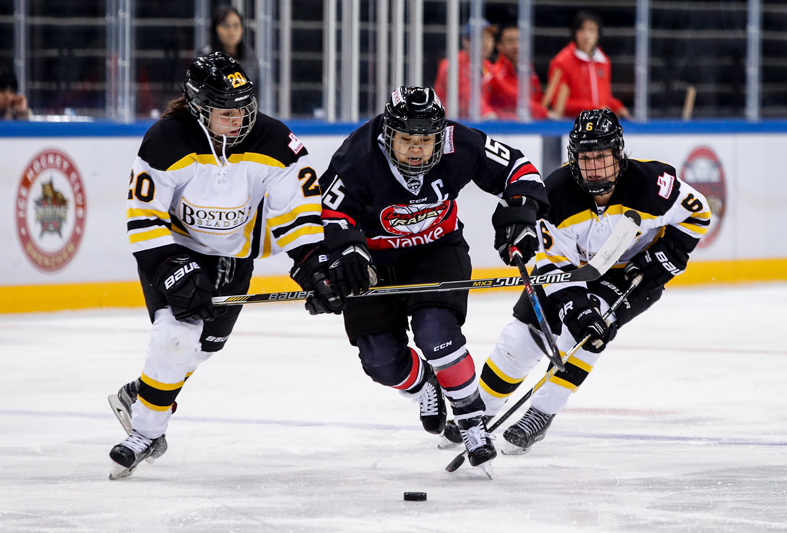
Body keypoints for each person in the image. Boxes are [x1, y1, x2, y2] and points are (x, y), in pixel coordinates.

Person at [107, 51, 342, 479]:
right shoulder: (166, 139)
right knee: (175, 333)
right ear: (199, 108)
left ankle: (143, 393)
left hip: (234, 255)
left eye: (243, 107)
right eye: (225, 111)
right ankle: (144, 432)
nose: (238, 118)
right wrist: (170, 268)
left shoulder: (274, 140)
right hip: (174, 249)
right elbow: (144, 215)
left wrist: (314, 262)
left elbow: (299, 210)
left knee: (204, 347)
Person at [317, 86, 549, 471]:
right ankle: (425, 386)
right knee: (380, 361)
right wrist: (344, 252)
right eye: (406, 139)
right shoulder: (357, 156)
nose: (416, 149)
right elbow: (329, 212)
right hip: (375, 261)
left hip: (436, 251)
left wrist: (520, 215)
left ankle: (473, 423)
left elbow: (517, 169)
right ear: (388, 134)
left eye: (425, 140)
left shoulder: (460, 143)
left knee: (437, 334)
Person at [467, 108, 709, 455]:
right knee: (520, 339)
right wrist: (573, 304)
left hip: (633, 275)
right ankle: (477, 415)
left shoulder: (652, 185)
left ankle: (541, 412)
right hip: (573, 271)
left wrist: (667, 256)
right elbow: (553, 263)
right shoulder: (556, 194)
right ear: (573, 159)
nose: (594, 167)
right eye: (585, 158)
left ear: (619, 154)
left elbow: (699, 212)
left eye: (602, 157)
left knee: (591, 331)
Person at [545, 12, 631, 119]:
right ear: (574, 32)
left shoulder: (603, 62)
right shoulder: (562, 62)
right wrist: (593, 108)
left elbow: (604, 97)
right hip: (572, 124)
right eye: (581, 29)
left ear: (597, 34)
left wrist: (617, 107)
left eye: (591, 30)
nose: (586, 35)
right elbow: (556, 103)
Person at [433, 18, 497, 120]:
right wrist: (491, 116)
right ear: (466, 41)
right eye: (481, 38)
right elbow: (467, 97)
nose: (487, 42)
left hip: (474, 124)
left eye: (489, 37)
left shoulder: (487, 66)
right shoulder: (453, 65)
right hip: (451, 127)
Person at [485, 24, 551, 120]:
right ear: (499, 46)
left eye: (519, 40)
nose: (516, 46)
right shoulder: (495, 73)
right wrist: (544, 113)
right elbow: (512, 100)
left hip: (530, 128)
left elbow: (537, 102)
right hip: (504, 129)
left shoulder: (530, 73)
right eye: (510, 41)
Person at [200, 6, 258, 88]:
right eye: (225, 25)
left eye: (236, 25)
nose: (231, 31)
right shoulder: (205, 60)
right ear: (215, 29)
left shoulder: (249, 57)